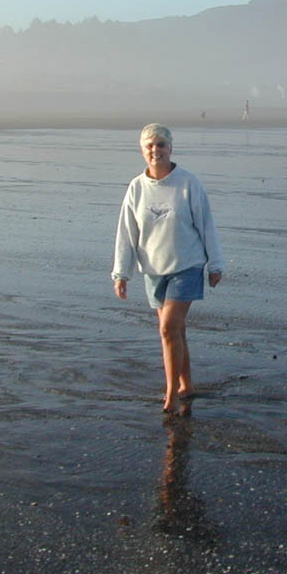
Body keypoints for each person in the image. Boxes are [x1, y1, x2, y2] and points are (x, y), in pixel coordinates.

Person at [112, 124, 225, 416]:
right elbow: (126, 233)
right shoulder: (136, 187)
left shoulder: (188, 183)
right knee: (177, 331)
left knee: (167, 329)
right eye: (149, 146)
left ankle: (171, 394)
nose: (155, 150)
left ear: (170, 148)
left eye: (161, 145)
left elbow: (206, 225)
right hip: (153, 269)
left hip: (186, 266)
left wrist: (216, 264)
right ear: (142, 150)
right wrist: (121, 273)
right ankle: (186, 384)